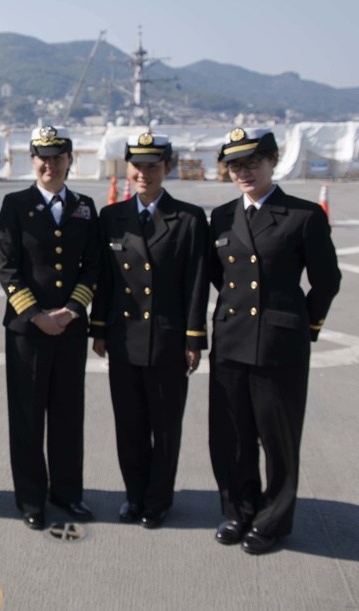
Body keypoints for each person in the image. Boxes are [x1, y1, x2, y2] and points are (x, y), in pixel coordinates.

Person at [208, 128, 341, 555]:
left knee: (278, 438)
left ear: (272, 162)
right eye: (235, 166)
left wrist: (304, 324)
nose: (243, 172)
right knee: (233, 435)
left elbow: (326, 280)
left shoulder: (302, 215)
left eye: (252, 163)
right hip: (231, 340)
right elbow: (221, 276)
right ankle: (239, 510)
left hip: (278, 344)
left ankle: (273, 521)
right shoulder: (222, 216)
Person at [90, 133, 209, 529]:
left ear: (168, 168)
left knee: (165, 427)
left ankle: (158, 500)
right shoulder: (112, 217)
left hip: (168, 341)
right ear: (128, 168)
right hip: (125, 340)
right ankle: (134, 495)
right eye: (138, 166)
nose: (145, 173)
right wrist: (100, 330)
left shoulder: (189, 219)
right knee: (130, 425)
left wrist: (194, 338)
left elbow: (196, 282)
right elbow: (105, 281)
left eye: (154, 166)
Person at [0, 126, 101, 530]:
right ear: (32, 160)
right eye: (42, 156)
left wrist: (72, 310)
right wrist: (38, 315)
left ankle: (67, 493)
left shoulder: (85, 206)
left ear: (69, 160)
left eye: (57, 156)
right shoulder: (15, 204)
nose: (49, 164)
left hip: (71, 330)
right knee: (27, 417)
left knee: (67, 414)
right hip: (27, 331)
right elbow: (6, 267)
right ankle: (30, 499)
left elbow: (93, 266)